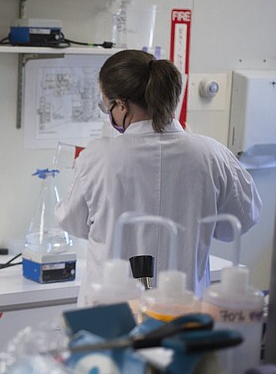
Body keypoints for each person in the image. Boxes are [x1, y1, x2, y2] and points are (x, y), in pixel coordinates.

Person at [55, 49, 262, 299]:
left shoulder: (98, 157)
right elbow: (239, 224)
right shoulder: (212, 154)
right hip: (183, 312)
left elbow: (73, 223)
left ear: (120, 104)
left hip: (112, 314)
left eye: (105, 105)